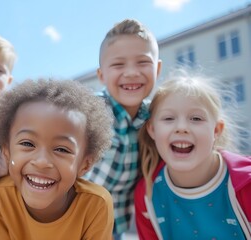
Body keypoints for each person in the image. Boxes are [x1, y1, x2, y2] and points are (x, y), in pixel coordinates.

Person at [0, 79, 115, 239]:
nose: (42, 162)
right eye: (28, 143)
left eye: (61, 149)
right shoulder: (2, 196)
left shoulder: (97, 204)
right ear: (7, 151)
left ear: (85, 165)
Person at [134, 70, 251, 239]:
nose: (182, 127)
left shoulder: (246, 184)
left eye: (196, 118)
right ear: (152, 129)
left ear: (216, 130)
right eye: (168, 118)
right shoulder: (147, 195)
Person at [83, 18, 162, 239]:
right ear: (101, 75)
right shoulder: (91, 111)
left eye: (142, 62)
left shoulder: (155, 117)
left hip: (112, 228)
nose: (131, 73)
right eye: (118, 65)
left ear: (157, 68)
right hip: (72, 220)